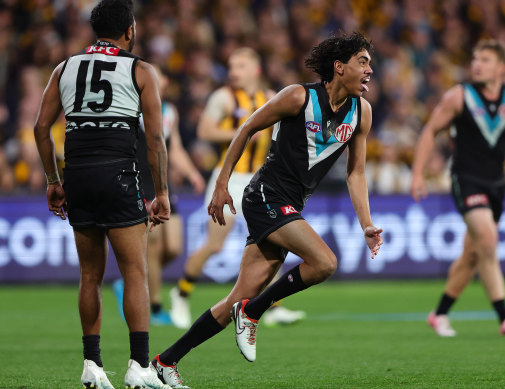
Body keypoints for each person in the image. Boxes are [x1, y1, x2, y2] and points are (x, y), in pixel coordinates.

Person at [149, 32, 383, 388]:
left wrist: (366, 223)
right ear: (339, 67)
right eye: (362, 62)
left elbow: (357, 172)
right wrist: (221, 184)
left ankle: (164, 363)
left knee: (236, 296)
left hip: (289, 204)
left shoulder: (361, 113)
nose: (369, 69)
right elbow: (246, 128)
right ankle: (254, 312)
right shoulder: (298, 96)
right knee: (325, 263)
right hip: (264, 196)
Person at [33, 1, 172, 388]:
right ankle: (139, 367)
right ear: (129, 30)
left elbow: (41, 128)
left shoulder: (64, 67)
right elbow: (156, 139)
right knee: (135, 273)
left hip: (78, 175)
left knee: (89, 275)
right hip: (119, 174)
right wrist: (160, 191)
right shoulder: (140, 69)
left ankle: (92, 365)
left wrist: (53, 180)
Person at [410, 39, 505, 337]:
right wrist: (418, 173)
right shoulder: (459, 96)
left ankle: (440, 314)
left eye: (484, 60)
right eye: (475, 59)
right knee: (487, 239)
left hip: (497, 185)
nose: (476, 64)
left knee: (473, 255)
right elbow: (430, 131)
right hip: (466, 179)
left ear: (501, 68)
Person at [169, 47, 305, 329]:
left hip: (260, 181)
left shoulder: (270, 97)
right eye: (231, 66)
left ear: (255, 70)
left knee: (274, 241)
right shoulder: (223, 97)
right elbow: (205, 131)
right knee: (215, 245)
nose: (233, 72)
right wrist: (244, 131)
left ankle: (274, 306)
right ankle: (181, 293)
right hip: (228, 178)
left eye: (240, 66)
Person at [113, 66, 206, 327]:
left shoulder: (170, 111)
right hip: (141, 181)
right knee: (152, 246)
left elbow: (173, 148)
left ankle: (130, 281)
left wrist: (192, 173)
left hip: (163, 182)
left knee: (173, 247)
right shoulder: (133, 107)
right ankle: (154, 306)